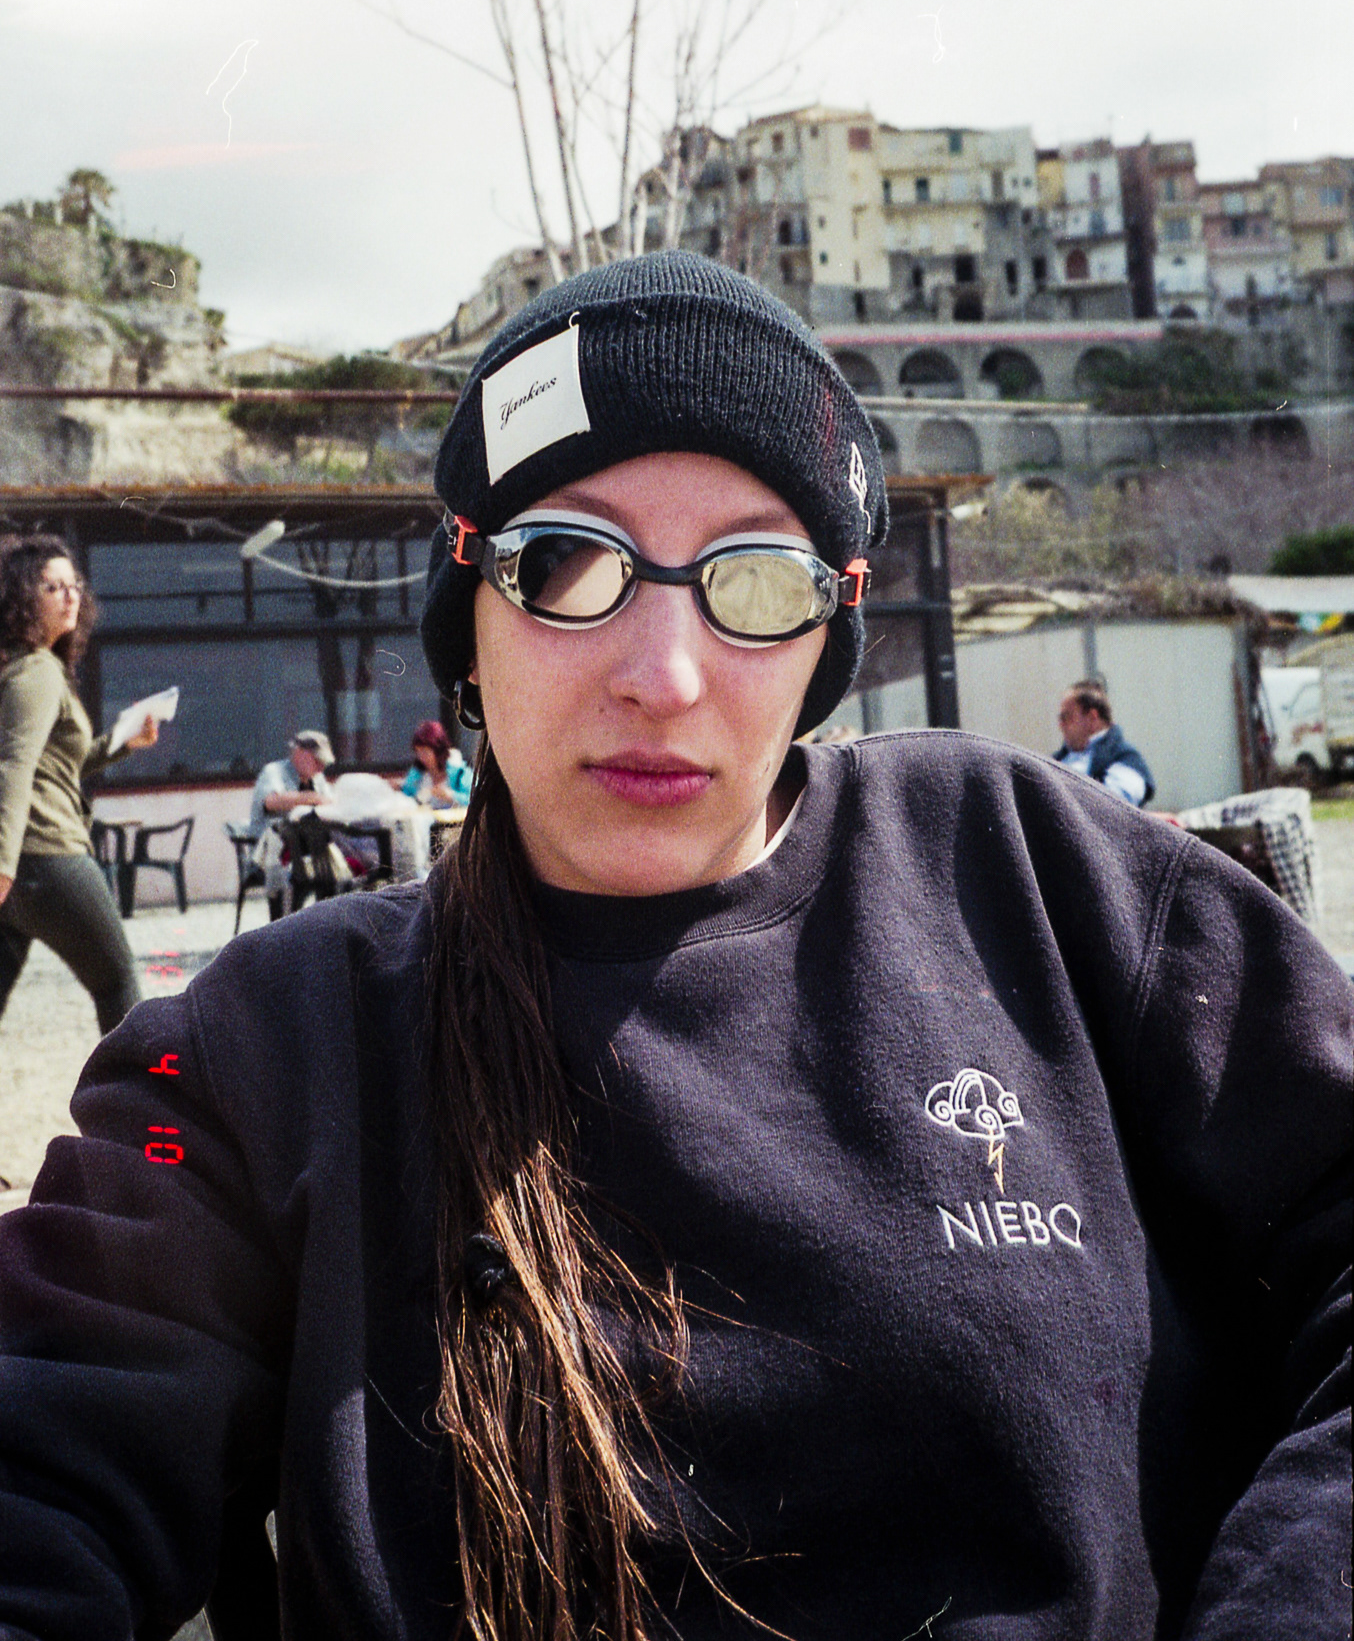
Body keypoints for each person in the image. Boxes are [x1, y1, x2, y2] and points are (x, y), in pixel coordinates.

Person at [0, 252, 1349, 1641]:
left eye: (753, 581)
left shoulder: (1032, 875)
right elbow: (46, 1455)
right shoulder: (276, 1042)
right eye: (566, 564)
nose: (664, 674)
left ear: (826, 631)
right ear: (469, 616)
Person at [0, 534, 159, 1035]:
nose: (70, 596)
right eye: (53, 587)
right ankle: (133, 1086)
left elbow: (55, 767)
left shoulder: (22, 667)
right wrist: (2, 863)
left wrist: (122, 743)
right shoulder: (38, 671)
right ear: (22, 598)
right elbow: (13, 765)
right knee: (117, 984)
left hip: (21, 863)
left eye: (74, 585)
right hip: (47, 857)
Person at [247, 730, 334, 919]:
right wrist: (309, 798)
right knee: (299, 877)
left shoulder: (317, 779)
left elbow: (330, 803)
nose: (321, 768)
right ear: (300, 754)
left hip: (308, 853)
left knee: (337, 876)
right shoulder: (274, 772)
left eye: (324, 763)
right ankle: (284, 926)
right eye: (318, 761)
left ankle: (326, 925)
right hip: (271, 856)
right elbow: (271, 802)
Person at [1053, 677, 1155, 805]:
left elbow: (1113, 806)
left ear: (1092, 718)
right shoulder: (1056, 760)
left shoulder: (1126, 759)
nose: (1061, 725)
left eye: (1066, 717)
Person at [400, 716, 473, 808]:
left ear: (438, 750)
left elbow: (475, 800)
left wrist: (451, 796)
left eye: (425, 752)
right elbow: (406, 798)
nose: (421, 757)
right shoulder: (416, 774)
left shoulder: (460, 774)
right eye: (418, 752)